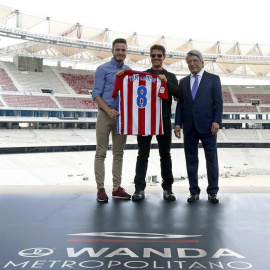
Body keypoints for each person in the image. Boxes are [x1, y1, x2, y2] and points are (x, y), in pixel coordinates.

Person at [132, 44, 180, 202]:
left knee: (165, 155)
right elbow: (131, 90)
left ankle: (168, 189)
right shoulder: (143, 75)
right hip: (145, 120)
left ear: (164, 57)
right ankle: (139, 189)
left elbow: (179, 94)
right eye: (153, 55)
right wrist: (121, 75)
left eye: (159, 55)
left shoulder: (170, 76)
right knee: (142, 155)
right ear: (150, 57)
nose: (156, 58)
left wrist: (166, 82)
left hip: (164, 120)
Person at [174, 49, 223, 203]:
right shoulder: (182, 82)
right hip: (189, 127)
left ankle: (212, 192)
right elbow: (180, 105)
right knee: (191, 160)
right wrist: (177, 124)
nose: (192, 64)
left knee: (212, 160)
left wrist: (217, 121)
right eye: (189, 61)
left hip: (209, 127)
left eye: (195, 60)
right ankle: (194, 191)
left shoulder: (213, 79)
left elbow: (218, 102)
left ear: (202, 62)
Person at [92, 38, 131, 202]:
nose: (120, 53)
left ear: (126, 52)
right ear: (112, 51)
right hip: (105, 115)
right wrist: (108, 110)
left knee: (118, 153)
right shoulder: (102, 69)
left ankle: (116, 187)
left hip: (122, 117)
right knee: (101, 153)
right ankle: (100, 189)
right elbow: (95, 94)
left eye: (123, 50)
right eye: (118, 50)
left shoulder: (129, 71)